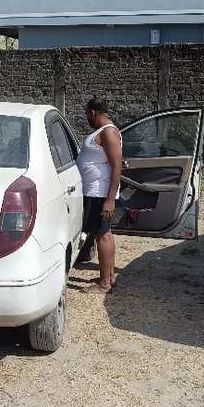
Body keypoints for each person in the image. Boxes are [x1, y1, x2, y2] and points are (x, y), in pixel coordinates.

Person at [77, 97, 122, 294]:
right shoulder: (103, 131)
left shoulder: (108, 132)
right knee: (105, 234)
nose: (87, 118)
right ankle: (109, 277)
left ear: (93, 113)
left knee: (101, 235)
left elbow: (117, 166)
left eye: (87, 114)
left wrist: (110, 200)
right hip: (96, 192)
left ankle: (104, 285)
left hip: (99, 193)